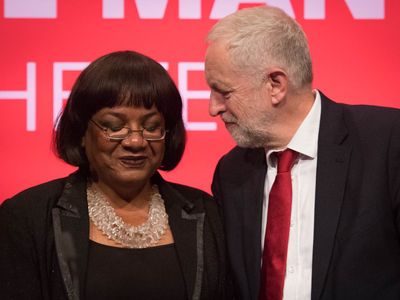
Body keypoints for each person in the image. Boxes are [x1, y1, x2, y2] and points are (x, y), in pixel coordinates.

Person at [204, 5, 400, 300]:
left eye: (224, 92)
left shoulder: (387, 141)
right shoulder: (231, 172)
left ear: (276, 85)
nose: (213, 108)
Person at [0, 50, 228, 300]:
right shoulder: (27, 216)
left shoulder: (206, 213)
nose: (135, 141)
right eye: (114, 126)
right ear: (82, 133)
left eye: (151, 127)